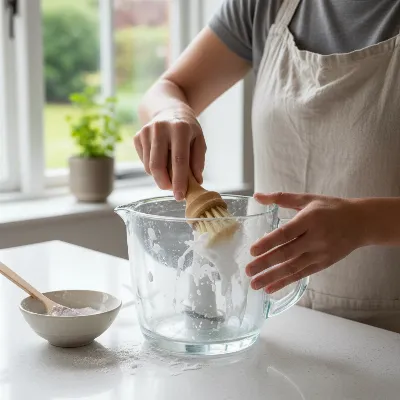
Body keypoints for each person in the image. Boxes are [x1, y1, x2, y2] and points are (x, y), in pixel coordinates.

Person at [134, 0, 400, 333]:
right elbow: (169, 89)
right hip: (277, 322)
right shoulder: (263, 6)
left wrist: (364, 223)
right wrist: (170, 113)